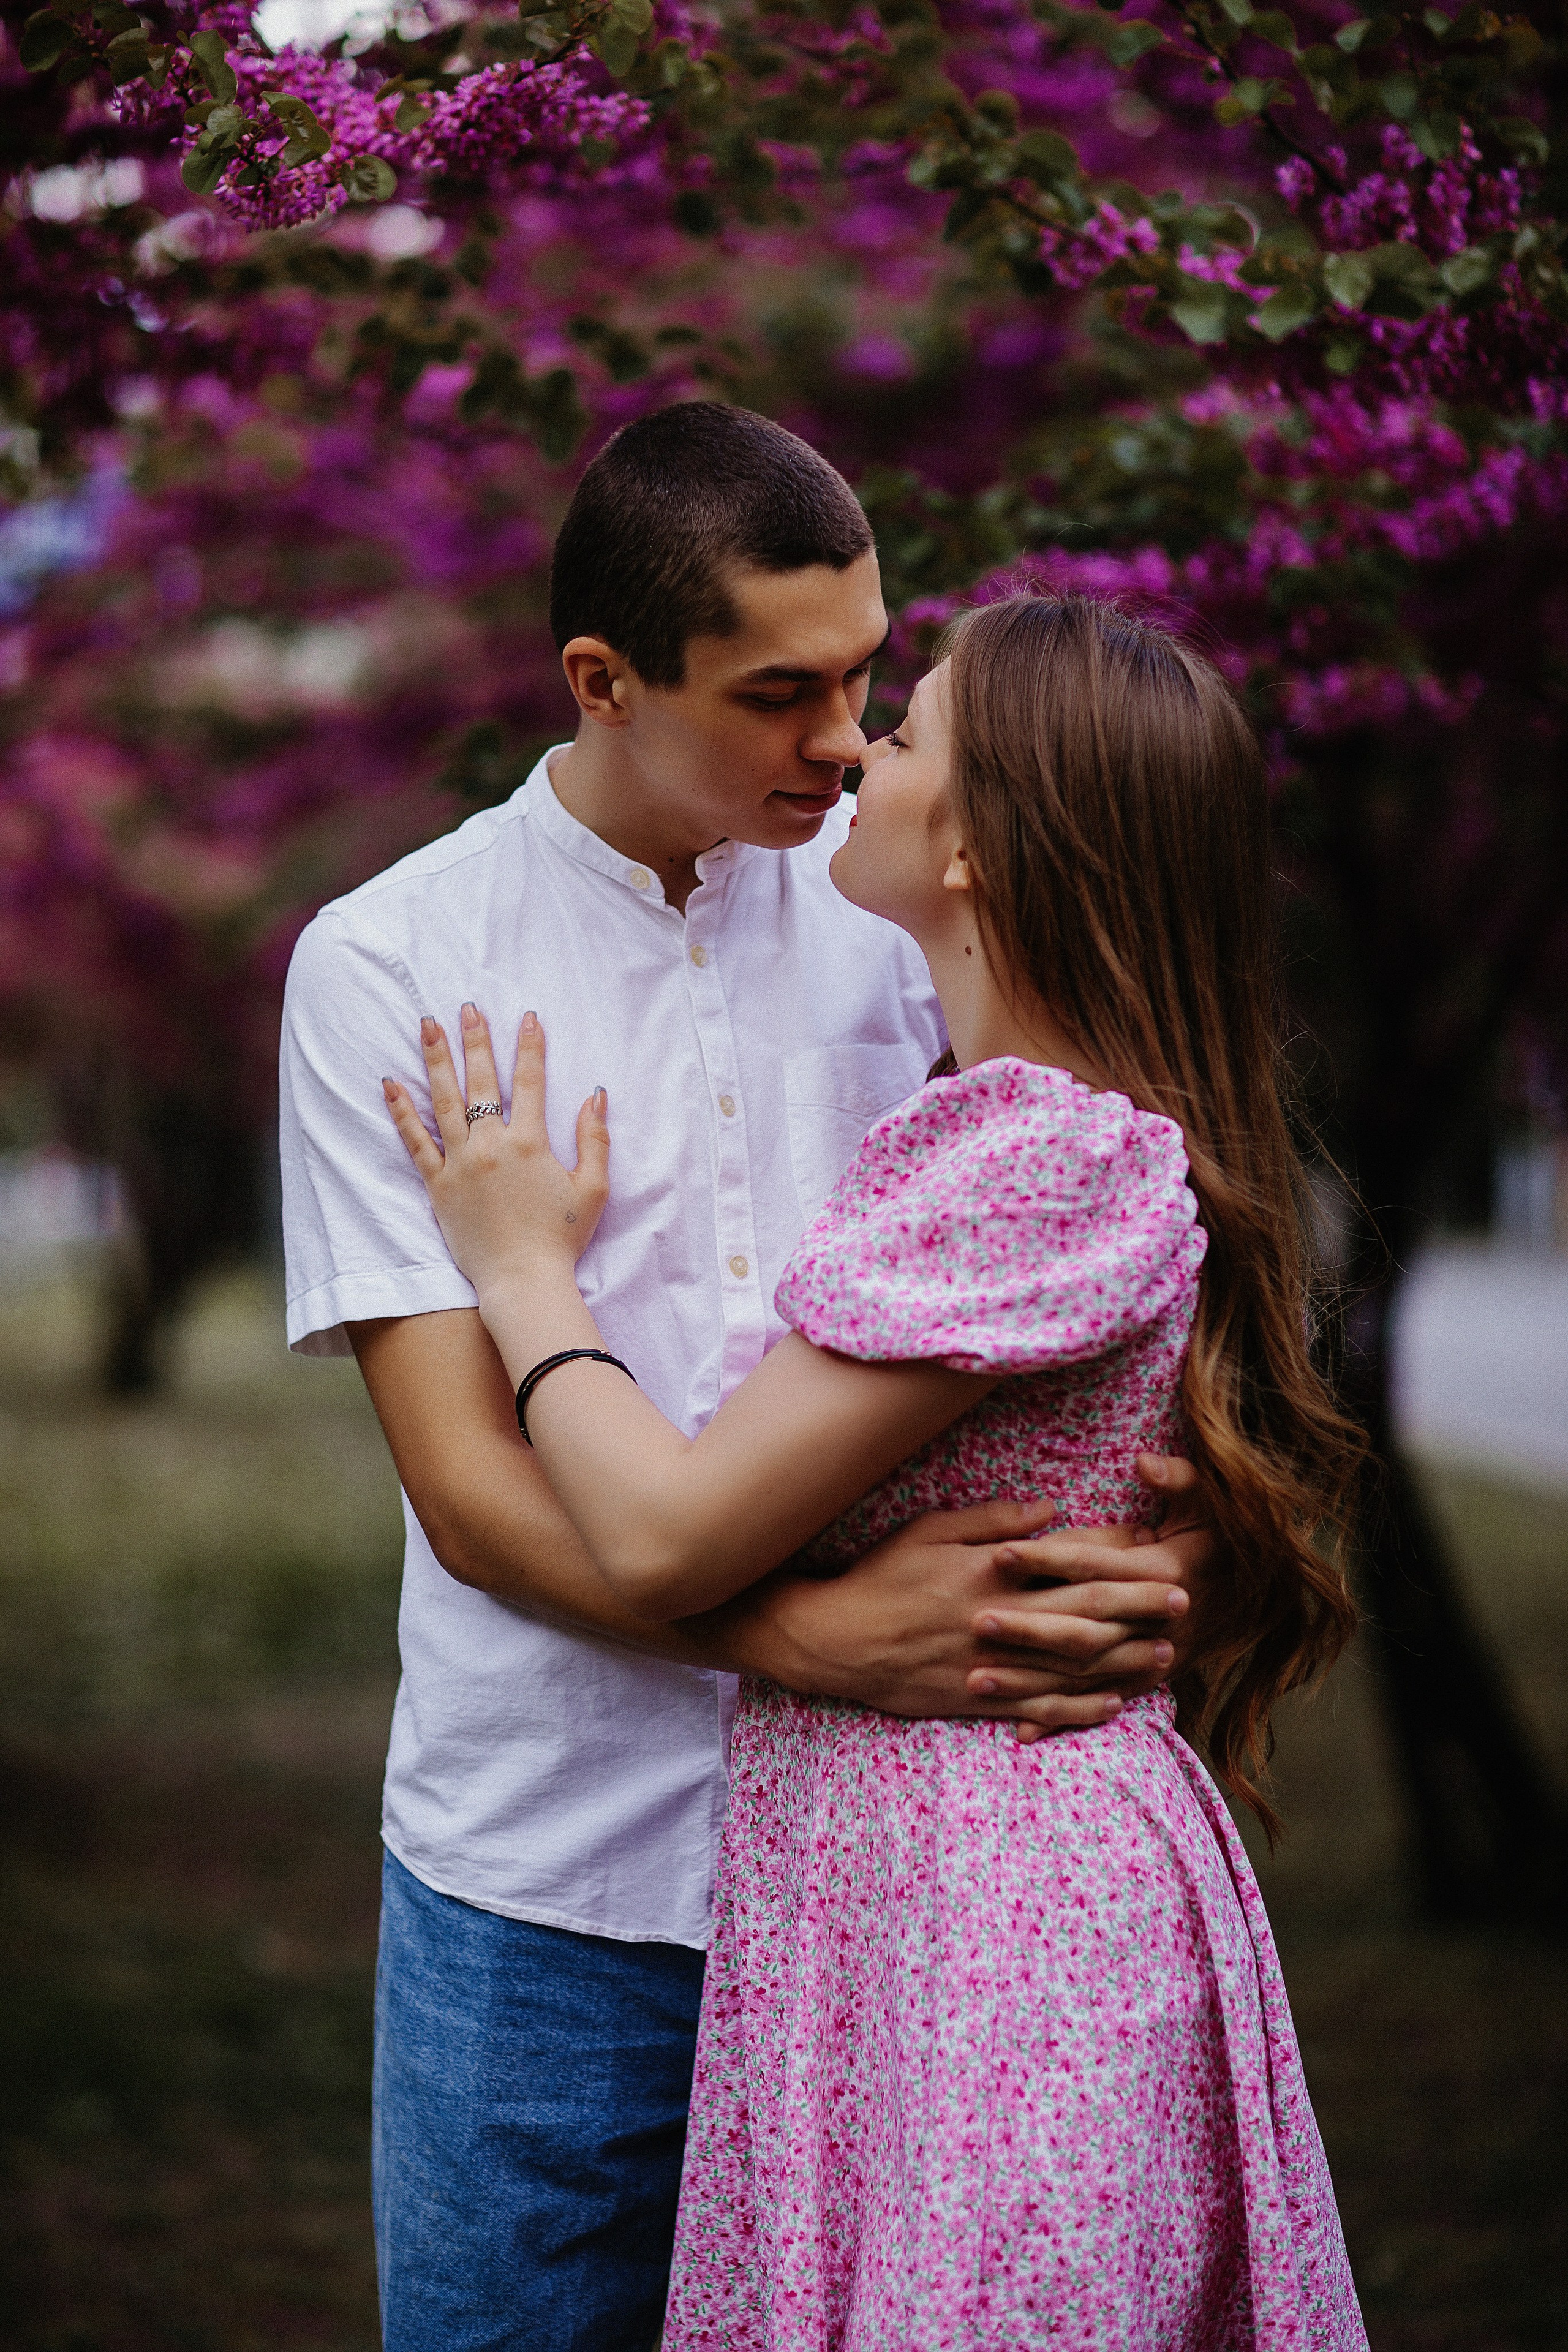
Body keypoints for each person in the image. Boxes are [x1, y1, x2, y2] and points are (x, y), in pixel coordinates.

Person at [280, 405, 1213, 2351]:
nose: (844, 739)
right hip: (545, 1886)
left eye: (871, 678)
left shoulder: (899, 915)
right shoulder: (395, 968)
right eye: (782, 693)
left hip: (908, 1890)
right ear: (605, 684)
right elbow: (468, 1495)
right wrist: (812, 1643)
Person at [382, 590, 1369, 2345]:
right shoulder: (1003, 1111)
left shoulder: (1032, 1150)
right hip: (918, 1899)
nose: (854, 753)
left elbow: (667, 1527)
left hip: (995, 1928)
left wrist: (525, 1270)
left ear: (980, 851)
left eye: (903, 731)